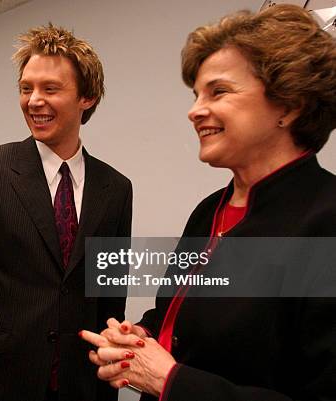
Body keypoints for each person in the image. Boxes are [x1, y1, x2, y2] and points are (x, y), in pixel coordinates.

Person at [80, 4, 336, 401]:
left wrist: (170, 382)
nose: (194, 110)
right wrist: (141, 337)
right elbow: (175, 318)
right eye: (196, 94)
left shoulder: (326, 220)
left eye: (218, 91)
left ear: (289, 105)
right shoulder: (208, 211)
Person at [0, 24, 133, 401]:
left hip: (76, 384)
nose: (33, 100)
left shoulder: (116, 189)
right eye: (26, 88)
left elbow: (110, 297)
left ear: (87, 97)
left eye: (50, 89)